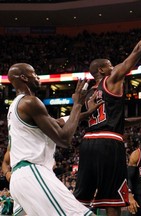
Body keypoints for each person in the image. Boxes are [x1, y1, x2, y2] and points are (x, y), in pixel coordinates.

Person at [73, 2, 141, 216]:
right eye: (110, 65)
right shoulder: (111, 80)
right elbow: (137, 51)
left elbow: (113, 121)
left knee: (81, 201)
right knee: (114, 201)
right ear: (102, 70)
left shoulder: (89, 94)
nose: (115, 67)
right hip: (109, 144)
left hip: (88, 143)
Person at [7, 63, 96, 215]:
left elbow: (58, 122)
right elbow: (64, 139)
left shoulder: (16, 106)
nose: (37, 77)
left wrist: (86, 113)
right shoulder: (30, 102)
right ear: (24, 77)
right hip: (32, 172)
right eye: (34, 73)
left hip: (19, 178)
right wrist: (78, 104)